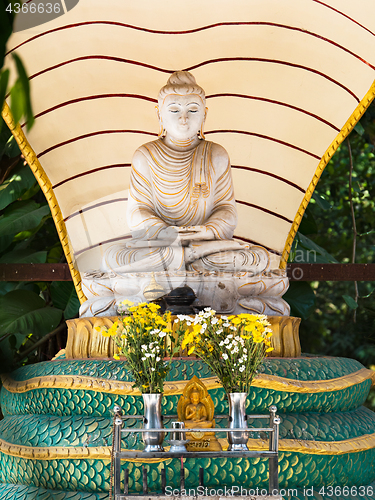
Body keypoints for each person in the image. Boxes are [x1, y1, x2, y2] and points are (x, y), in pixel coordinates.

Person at [101, 71, 269, 275]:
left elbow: (227, 210)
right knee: (112, 258)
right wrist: (167, 233)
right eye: (173, 110)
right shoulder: (145, 155)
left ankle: (181, 263)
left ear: (204, 115)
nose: (183, 118)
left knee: (257, 258)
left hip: (204, 246)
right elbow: (137, 213)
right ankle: (186, 262)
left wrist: (206, 231)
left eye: (192, 110)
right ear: (159, 114)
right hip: (160, 245)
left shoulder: (216, 154)